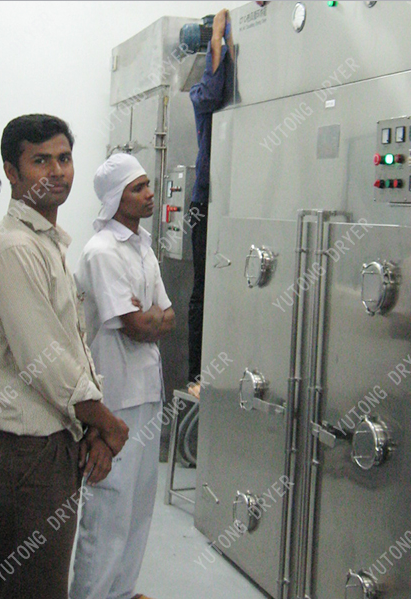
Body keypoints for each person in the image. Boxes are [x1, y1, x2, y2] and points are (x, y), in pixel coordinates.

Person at [0, 114, 129, 599]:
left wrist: (89, 424)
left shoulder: (44, 242)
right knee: (35, 589)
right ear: (11, 172)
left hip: (45, 446)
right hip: (25, 456)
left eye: (64, 158)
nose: (57, 171)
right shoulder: (14, 249)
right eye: (40, 161)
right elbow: (46, 360)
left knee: (15, 586)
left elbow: (70, 345)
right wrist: (108, 423)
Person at [71, 154, 175, 599]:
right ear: (115, 198)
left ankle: (123, 591)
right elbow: (135, 326)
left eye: (148, 185)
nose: (150, 194)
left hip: (147, 389)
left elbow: (168, 318)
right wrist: (148, 317)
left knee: (139, 502)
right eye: (138, 188)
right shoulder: (102, 252)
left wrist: (150, 317)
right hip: (113, 396)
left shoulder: (142, 247)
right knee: (109, 506)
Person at [187, 8, 235, 398]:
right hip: (206, 204)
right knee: (205, 289)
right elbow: (212, 90)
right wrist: (218, 34)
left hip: (230, 203)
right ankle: (197, 376)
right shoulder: (201, 95)